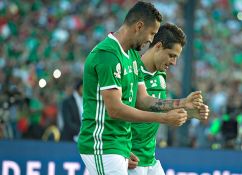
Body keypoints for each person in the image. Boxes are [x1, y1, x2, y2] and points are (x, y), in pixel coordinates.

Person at [78, 1, 208, 175]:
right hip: (103, 144)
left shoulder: (131, 55)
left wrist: (183, 104)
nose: (151, 40)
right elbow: (115, 110)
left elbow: (142, 100)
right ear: (139, 26)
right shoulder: (107, 55)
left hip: (121, 147)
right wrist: (163, 118)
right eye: (152, 33)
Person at [127, 23, 209, 175]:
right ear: (158, 46)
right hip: (131, 160)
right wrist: (122, 151)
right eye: (171, 55)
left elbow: (158, 107)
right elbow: (119, 112)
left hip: (150, 159)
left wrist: (190, 114)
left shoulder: (160, 75)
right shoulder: (131, 71)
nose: (174, 62)